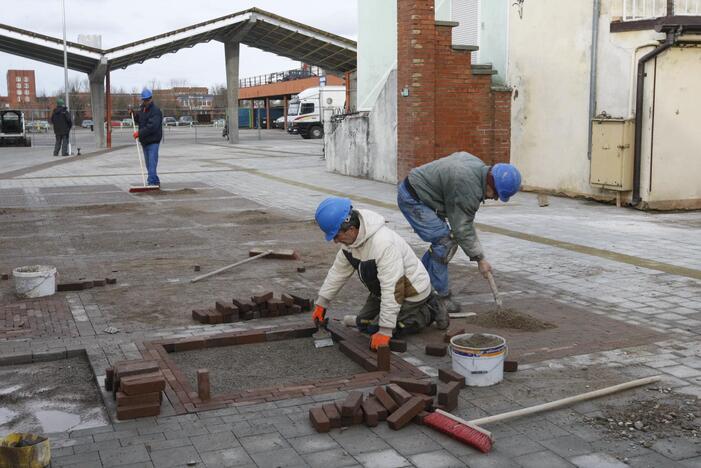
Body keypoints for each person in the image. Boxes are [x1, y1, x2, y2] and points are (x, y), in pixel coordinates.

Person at [311, 197, 448, 351]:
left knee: (387, 329)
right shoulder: (349, 243)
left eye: (336, 236)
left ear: (350, 228)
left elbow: (393, 287)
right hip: (382, 291)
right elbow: (338, 272)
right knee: (364, 325)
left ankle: (431, 309)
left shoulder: (383, 243)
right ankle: (377, 321)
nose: (336, 241)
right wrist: (322, 303)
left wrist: (385, 330)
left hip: (410, 290)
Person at [397, 152, 521, 313]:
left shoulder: (478, 169)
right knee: (445, 242)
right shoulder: (467, 186)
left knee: (443, 243)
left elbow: (463, 224)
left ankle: (420, 283)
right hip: (413, 199)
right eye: (496, 195)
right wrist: (480, 259)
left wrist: (478, 256)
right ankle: (439, 298)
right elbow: (462, 228)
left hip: (421, 194)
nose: (495, 198)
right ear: (491, 185)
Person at [132, 89, 163, 186]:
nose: (145, 101)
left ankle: (152, 183)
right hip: (145, 142)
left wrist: (139, 133)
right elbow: (140, 120)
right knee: (149, 165)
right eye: (144, 100)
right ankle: (155, 181)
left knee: (152, 164)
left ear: (150, 99)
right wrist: (133, 114)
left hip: (153, 142)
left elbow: (152, 127)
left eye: (147, 100)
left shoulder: (155, 111)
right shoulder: (143, 109)